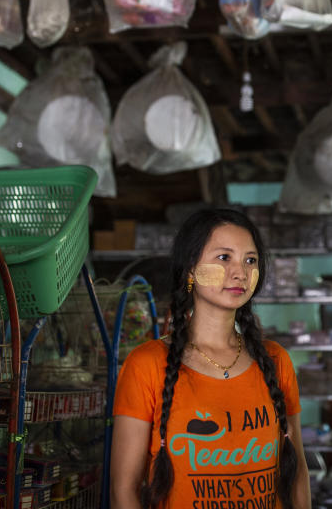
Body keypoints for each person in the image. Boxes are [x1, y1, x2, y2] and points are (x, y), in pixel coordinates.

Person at [111, 208, 311, 508]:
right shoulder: (147, 364)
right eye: (224, 257)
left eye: (250, 260)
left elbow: (297, 473)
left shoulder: (276, 360)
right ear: (191, 269)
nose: (240, 272)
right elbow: (123, 492)